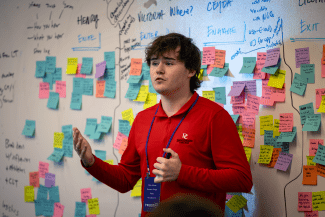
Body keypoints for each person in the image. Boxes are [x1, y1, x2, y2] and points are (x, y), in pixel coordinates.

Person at [73, 33, 253, 217]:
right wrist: (91, 162)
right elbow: (125, 179)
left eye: (168, 63)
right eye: (154, 62)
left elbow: (242, 179)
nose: (158, 70)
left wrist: (182, 173)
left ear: (191, 70)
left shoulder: (214, 116)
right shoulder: (142, 119)